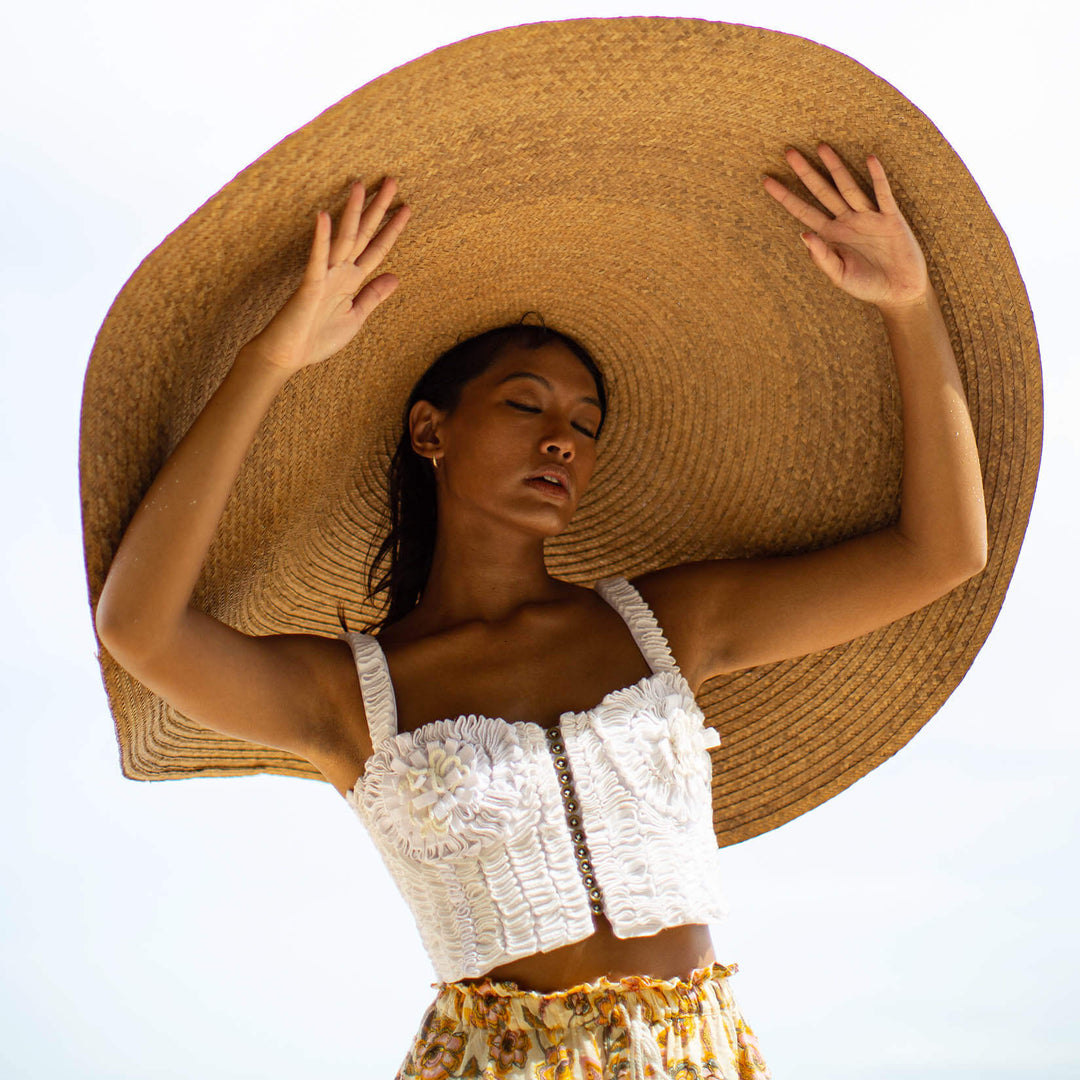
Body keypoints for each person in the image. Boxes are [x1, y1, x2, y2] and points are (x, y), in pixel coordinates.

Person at [94, 144, 987, 1078]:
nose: (563, 438)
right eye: (526, 404)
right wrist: (274, 357)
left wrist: (908, 304)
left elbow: (941, 552)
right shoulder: (353, 695)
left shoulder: (665, 627)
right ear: (430, 429)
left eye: (587, 423)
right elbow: (140, 627)